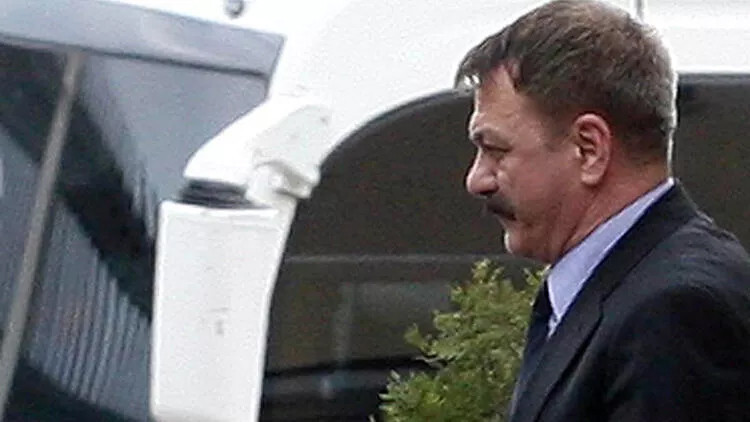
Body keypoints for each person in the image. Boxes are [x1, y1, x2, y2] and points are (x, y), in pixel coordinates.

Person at [455, 0, 750, 421]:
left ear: (590, 148)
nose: (477, 180)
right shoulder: (629, 287)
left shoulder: (674, 310)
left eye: (496, 150)